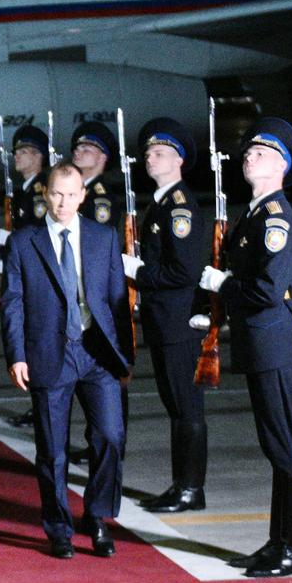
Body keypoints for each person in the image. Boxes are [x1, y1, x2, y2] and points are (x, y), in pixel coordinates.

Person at [200, 118, 292, 576]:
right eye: (248, 150)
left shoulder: (277, 218)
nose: (250, 155)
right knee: (276, 446)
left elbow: (267, 290)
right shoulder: (253, 214)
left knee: (289, 445)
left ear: (282, 167)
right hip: (260, 341)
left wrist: (225, 286)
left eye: (262, 153)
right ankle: (277, 542)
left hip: (276, 342)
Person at [1, 163, 133, 559]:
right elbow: (12, 302)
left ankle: (96, 515)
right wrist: (17, 355)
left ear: (82, 196)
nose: (63, 202)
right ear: (45, 194)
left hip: (96, 352)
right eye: (56, 194)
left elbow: (116, 301)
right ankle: (58, 527)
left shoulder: (104, 237)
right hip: (49, 352)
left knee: (110, 435)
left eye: (71, 194)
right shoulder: (24, 242)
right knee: (53, 451)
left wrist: (124, 357)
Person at [125, 119, 210, 513]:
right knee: (175, 406)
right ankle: (183, 485)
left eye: (159, 152)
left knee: (185, 406)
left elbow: (184, 271)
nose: (149, 158)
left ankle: (190, 489)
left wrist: (138, 273)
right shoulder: (160, 203)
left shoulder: (179, 207)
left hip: (179, 322)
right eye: (147, 153)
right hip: (165, 320)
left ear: (178, 160)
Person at [4, 127, 50, 428]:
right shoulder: (25, 189)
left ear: (37, 157)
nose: (16, 157)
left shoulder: (40, 191)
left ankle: (42, 405)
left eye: (23, 152)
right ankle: (38, 404)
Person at [71, 122, 123, 231]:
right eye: (77, 149)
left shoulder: (102, 199)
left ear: (102, 158)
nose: (77, 152)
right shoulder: (75, 190)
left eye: (86, 150)